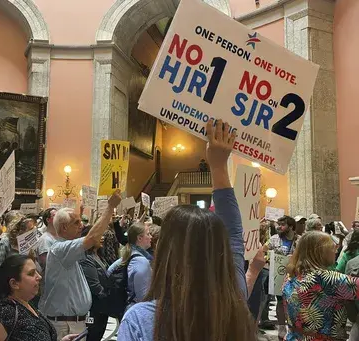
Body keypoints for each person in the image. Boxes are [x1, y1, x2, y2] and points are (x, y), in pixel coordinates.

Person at [117, 119, 256, 341]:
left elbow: (233, 237)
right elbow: (233, 235)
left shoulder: (141, 319)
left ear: (166, 251)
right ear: (220, 251)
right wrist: (219, 166)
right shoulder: (235, 303)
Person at [40, 190, 122, 339]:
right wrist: (110, 207)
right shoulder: (60, 249)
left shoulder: (66, 249)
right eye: (76, 222)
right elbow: (91, 237)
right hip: (65, 325)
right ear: (64, 228)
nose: (81, 225)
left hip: (73, 322)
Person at [283, 231, 359, 340]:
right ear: (321, 252)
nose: (336, 250)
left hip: (294, 336)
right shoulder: (329, 279)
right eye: (333, 247)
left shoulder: (291, 274)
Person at [0, 254, 77, 341]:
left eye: (37, 272)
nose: (39, 277)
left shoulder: (27, 304)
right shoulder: (5, 312)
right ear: (14, 284)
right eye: (31, 274)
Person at [263, 214, 299, 339]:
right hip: (278, 276)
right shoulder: (273, 239)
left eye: (282, 225)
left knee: (294, 302)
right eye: (278, 224)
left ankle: (294, 328)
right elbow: (263, 250)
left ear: (291, 227)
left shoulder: (299, 240)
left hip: (295, 277)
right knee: (279, 301)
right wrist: (269, 256)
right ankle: (281, 328)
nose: (279, 227)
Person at [107, 222, 152, 311]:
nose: (151, 237)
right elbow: (143, 297)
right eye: (148, 234)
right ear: (139, 238)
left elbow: (109, 271)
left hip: (128, 308)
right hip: (136, 311)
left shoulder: (130, 255)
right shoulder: (141, 261)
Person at [80, 233, 112, 341]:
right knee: (93, 335)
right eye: (99, 236)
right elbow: (94, 286)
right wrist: (109, 298)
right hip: (95, 306)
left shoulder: (98, 254)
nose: (102, 238)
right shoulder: (87, 258)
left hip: (102, 306)